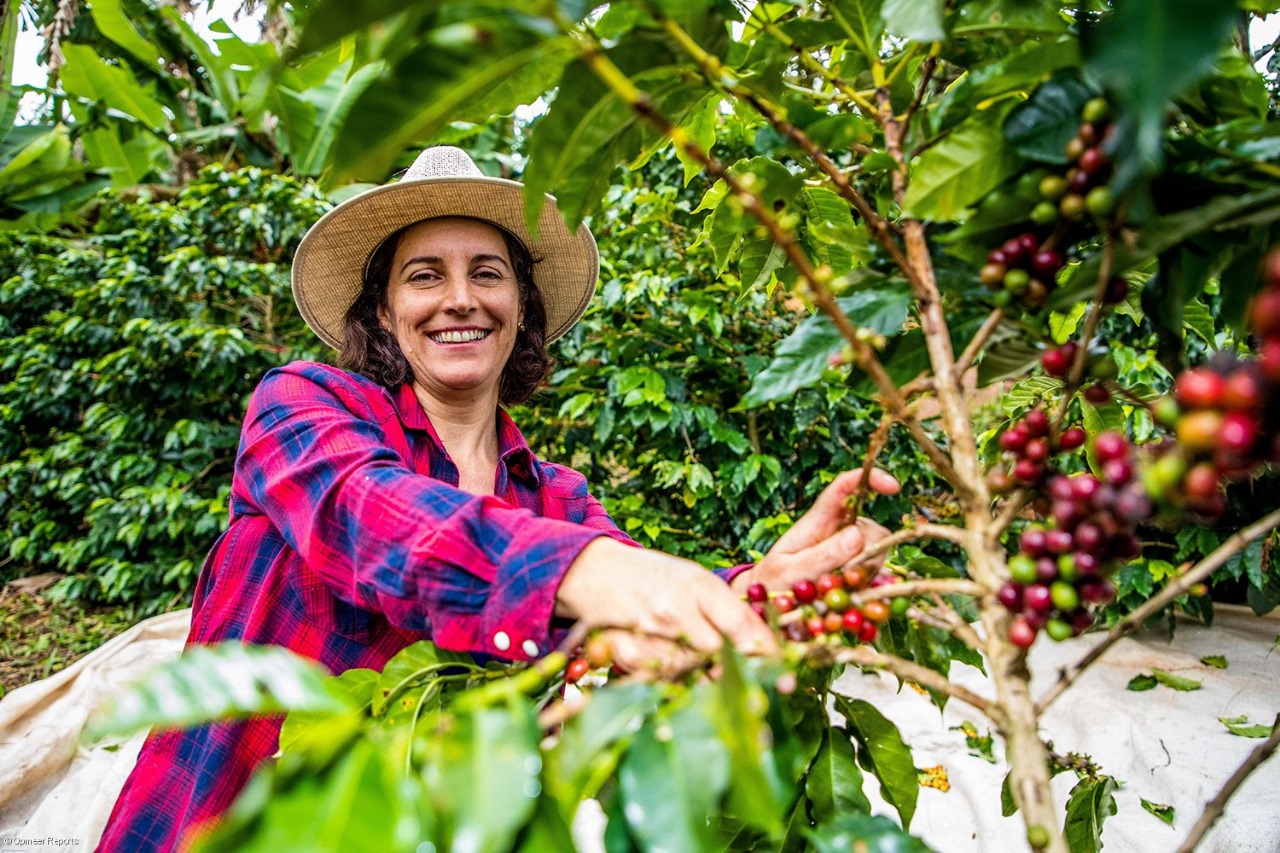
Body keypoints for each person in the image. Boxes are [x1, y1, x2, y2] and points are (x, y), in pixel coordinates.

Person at [96, 146, 897, 851]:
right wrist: (592, 572)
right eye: (424, 276)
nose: (460, 299)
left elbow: (617, 616)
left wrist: (754, 591)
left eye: (487, 273)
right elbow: (371, 514)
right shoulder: (303, 404)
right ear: (383, 310)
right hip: (220, 814)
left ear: (521, 307)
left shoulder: (555, 498)